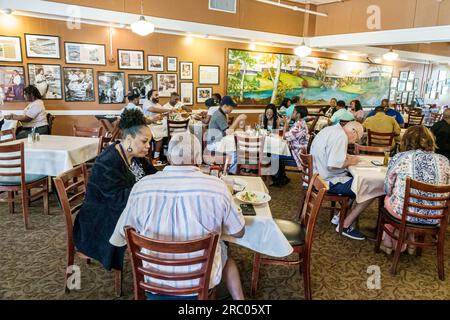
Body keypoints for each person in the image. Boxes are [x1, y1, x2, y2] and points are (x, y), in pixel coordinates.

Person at [110, 131, 245, 300]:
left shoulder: (141, 186)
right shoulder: (217, 186)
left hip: (152, 280)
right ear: (198, 157)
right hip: (199, 283)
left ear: (168, 156)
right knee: (224, 250)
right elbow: (238, 232)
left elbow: (125, 232)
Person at [73, 109, 157, 271]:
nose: (148, 146)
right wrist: (148, 190)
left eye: (149, 142)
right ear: (129, 139)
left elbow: (153, 175)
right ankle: (153, 265)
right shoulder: (108, 162)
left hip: (122, 210)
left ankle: (155, 263)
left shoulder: (137, 157)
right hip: (100, 220)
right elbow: (118, 200)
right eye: (144, 141)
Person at [381, 126, 450, 254]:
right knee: (404, 202)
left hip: (405, 214)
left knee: (388, 199)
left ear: (405, 140)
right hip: (435, 217)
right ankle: (411, 239)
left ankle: (389, 239)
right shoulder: (444, 161)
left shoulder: (400, 157)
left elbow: (387, 187)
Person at [310, 121, 374, 240]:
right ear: (354, 131)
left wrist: (346, 157)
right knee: (369, 188)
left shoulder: (330, 130)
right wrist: (351, 161)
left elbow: (330, 154)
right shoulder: (341, 136)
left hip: (317, 176)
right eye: (357, 138)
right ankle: (344, 225)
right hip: (327, 181)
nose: (354, 142)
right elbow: (333, 164)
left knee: (356, 180)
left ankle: (340, 216)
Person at [205, 96, 247, 174]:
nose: (232, 110)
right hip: (214, 144)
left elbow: (226, 131)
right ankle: (231, 172)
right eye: (231, 107)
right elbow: (228, 132)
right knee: (235, 151)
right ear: (225, 106)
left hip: (217, 141)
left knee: (236, 146)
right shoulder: (219, 115)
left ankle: (232, 169)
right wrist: (238, 119)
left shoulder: (221, 113)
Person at [272, 106, 309, 185]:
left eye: (293, 112)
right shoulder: (301, 122)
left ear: (298, 114)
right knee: (278, 152)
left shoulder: (298, 125)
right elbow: (290, 133)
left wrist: (286, 122)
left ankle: (278, 178)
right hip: (301, 150)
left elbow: (285, 136)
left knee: (274, 155)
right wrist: (287, 124)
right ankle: (282, 177)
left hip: (298, 154)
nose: (292, 113)